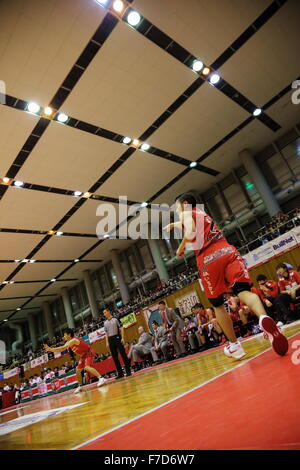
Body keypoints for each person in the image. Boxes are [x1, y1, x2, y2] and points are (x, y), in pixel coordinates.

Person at [164, 193, 288, 359]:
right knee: (243, 291)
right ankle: (264, 317)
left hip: (209, 258)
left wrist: (181, 248)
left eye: (177, 206)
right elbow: (188, 223)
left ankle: (235, 345)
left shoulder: (186, 212)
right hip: (227, 250)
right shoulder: (202, 214)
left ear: (185, 204)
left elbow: (191, 231)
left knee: (218, 305)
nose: (177, 210)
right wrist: (174, 224)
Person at [44, 328, 107, 394]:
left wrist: (51, 349)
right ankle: (80, 386)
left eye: (65, 335)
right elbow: (61, 349)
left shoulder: (73, 340)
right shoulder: (68, 342)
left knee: (86, 367)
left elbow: (62, 348)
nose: (63, 336)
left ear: (69, 335)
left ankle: (101, 378)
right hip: (83, 355)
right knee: (78, 370)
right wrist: (50, 350)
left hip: (88, 352)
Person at [103, 308, 132, 379]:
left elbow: (121, 328)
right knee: (114, 357)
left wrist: (123, 338)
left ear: (109, 311)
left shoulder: (116, 319)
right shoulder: (105, 323)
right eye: (104, 313)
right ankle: (120, 373)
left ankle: (128, 371)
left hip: (117, 337)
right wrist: (107, 342)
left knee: (123, 354)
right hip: (110, 339)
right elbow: (106, 333)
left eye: (105, 312)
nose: (104, 314)